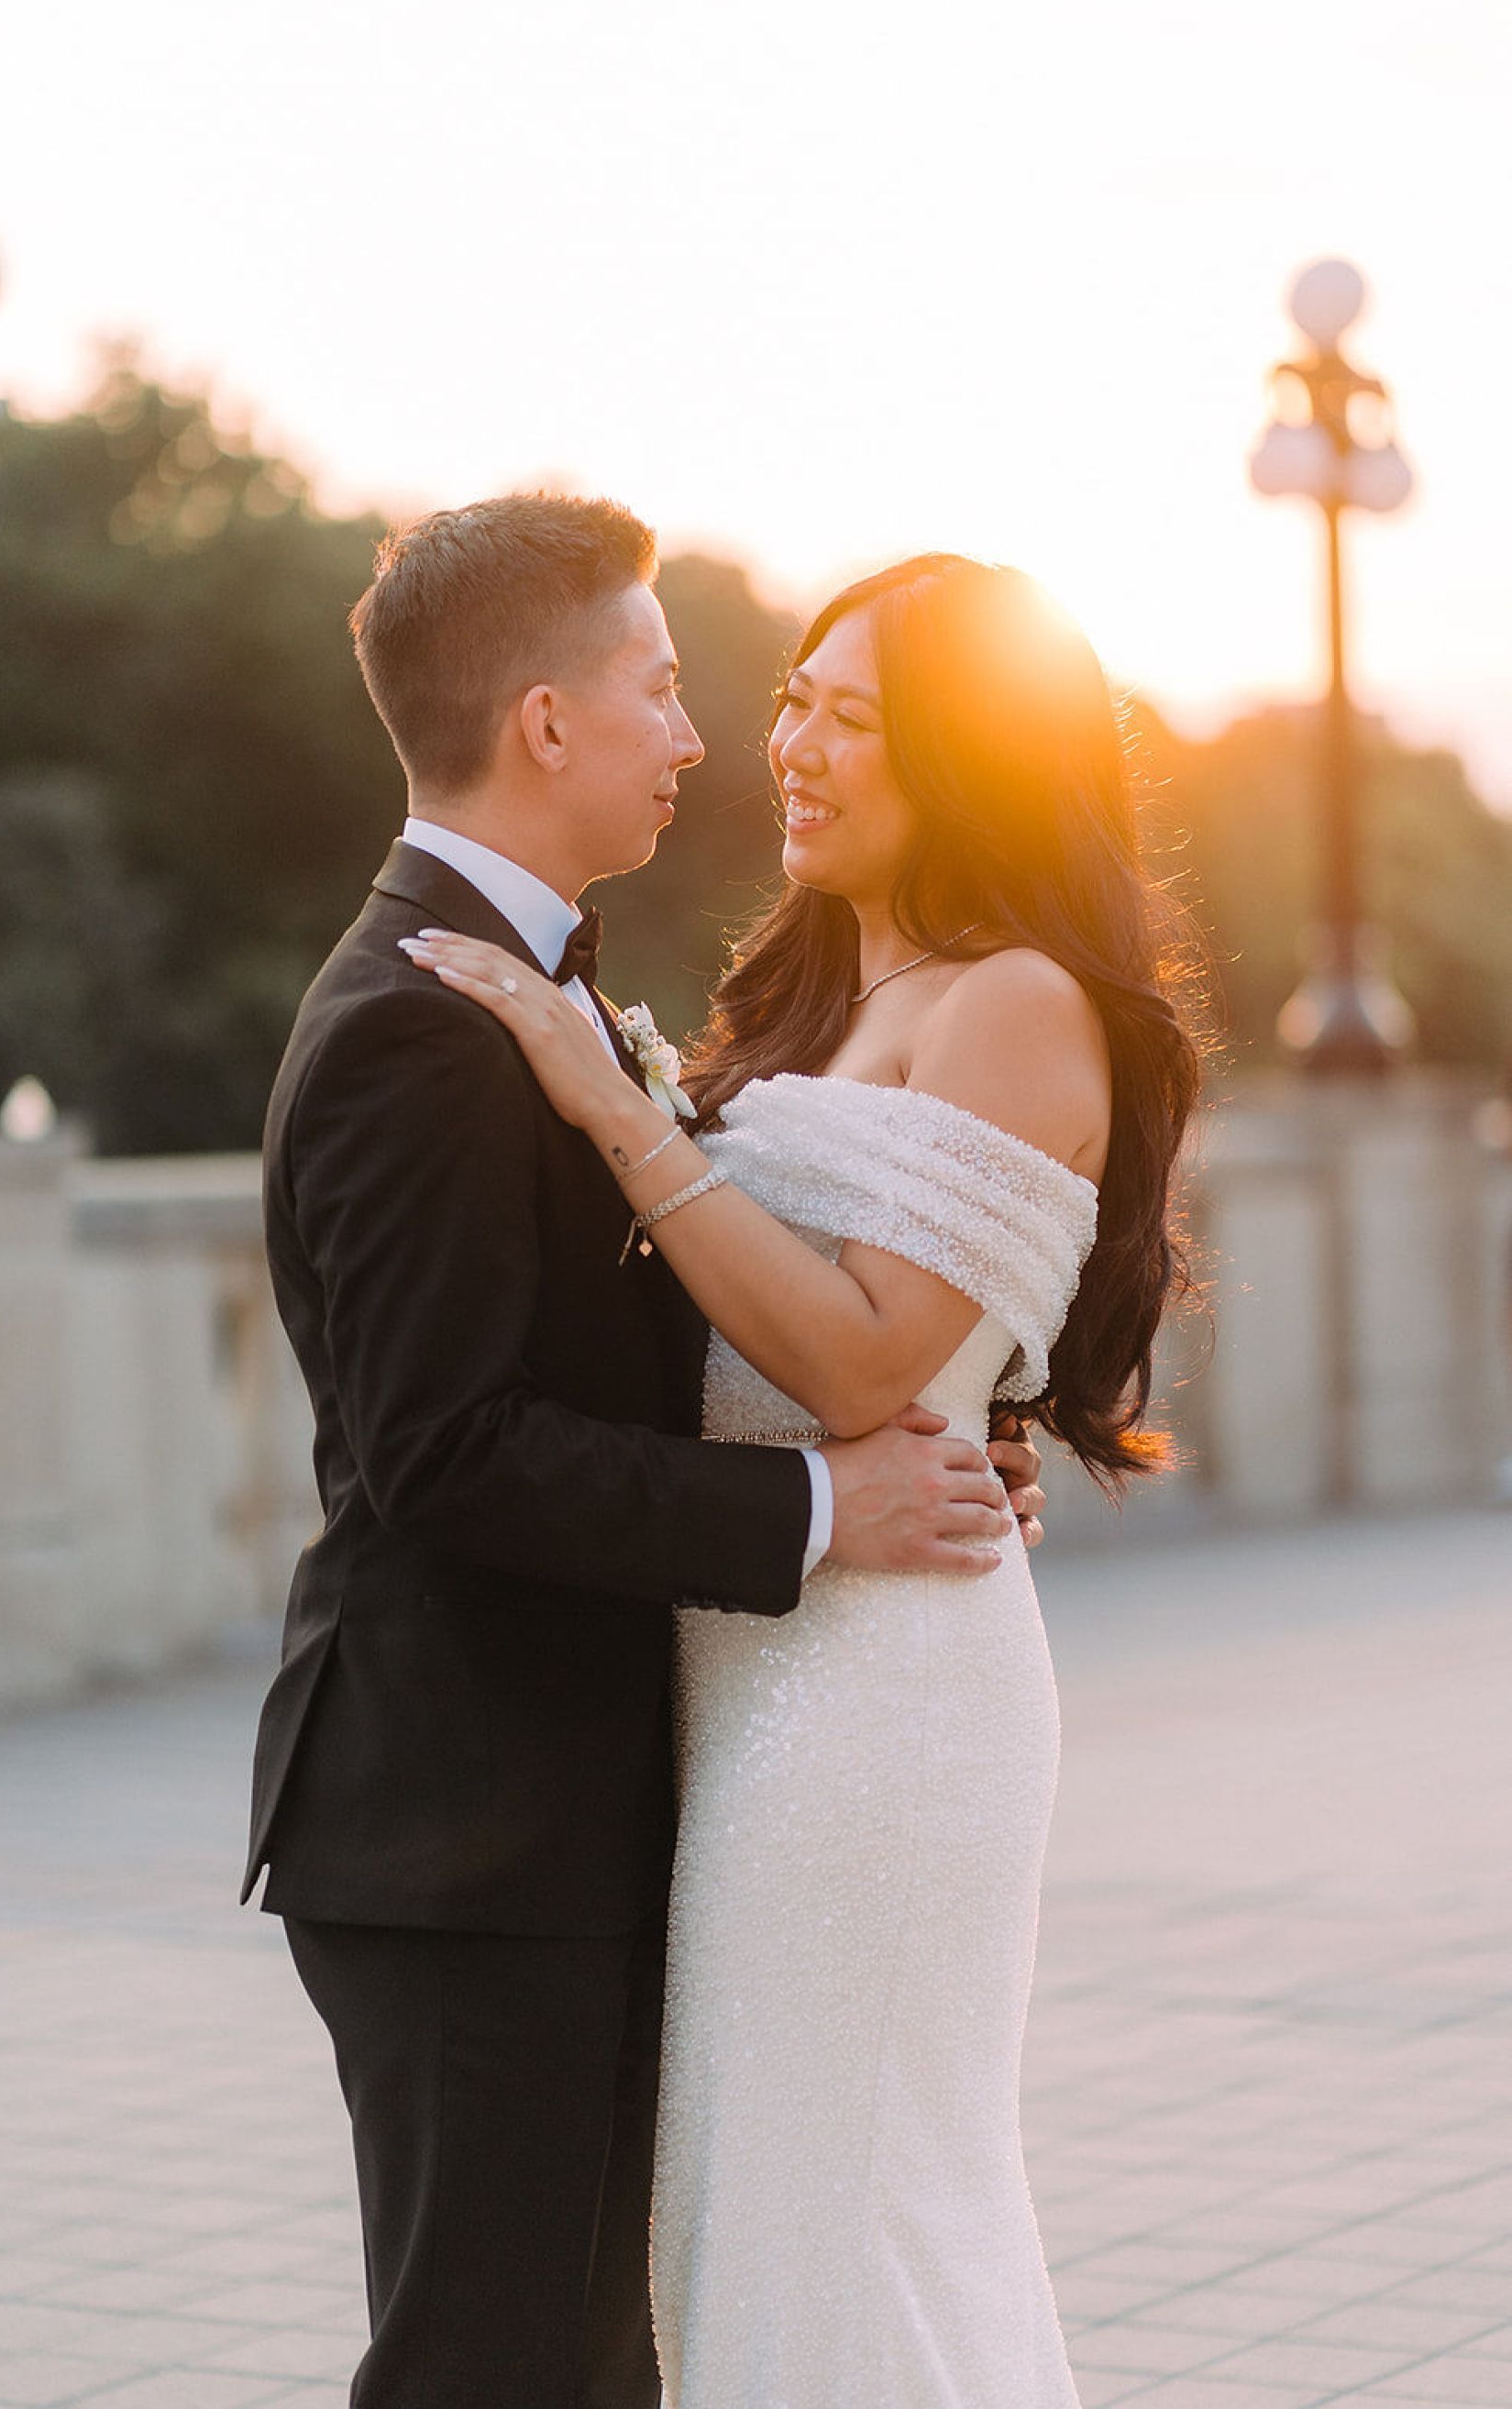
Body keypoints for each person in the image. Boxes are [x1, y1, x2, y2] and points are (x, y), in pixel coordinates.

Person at [241, 500, 1047, 2409]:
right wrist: (824, 1504)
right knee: (496, 2373)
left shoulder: (526, 983)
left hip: (559, 1812)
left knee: (591, 2365)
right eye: (663, 688)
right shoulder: (423, 1019)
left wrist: (938, 1422)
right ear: (545, 721)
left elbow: (633, 1337)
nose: (700, 737)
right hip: (468, 1828)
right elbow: (448, 1452)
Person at [409, 550, 1206, 2405]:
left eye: (855, 720)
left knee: (849, 2212)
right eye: (794, 701)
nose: (793, 746)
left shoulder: (1016, 1000)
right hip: (757, 1667)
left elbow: (860, 1362)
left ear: (973, 761)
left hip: (880, 1703)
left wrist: (613, 1105)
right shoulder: (824, 980)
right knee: (760, 2215)